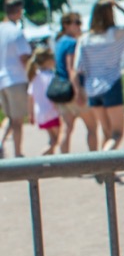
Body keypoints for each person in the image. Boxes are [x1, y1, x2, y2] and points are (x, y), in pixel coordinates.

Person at [74, 0, 124, 151]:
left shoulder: (85, 39)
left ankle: (104, 165)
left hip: (92, 88)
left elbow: (79, 67)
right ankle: (104, 161)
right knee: (117, 133)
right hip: (111, 84)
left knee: (106, 132)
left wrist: (79, 90)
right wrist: (118, 6)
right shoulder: (115, 34)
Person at [0, 0, 31, 159]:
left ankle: (0, 142)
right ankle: (18, 153)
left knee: (9, 117)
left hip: (1, 80)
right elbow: (24, 57)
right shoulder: (16, 32)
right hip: (16, 78)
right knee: (18, 120)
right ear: (18, 11)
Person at [51, 11, 85, 154]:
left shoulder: (59, 42)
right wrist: (78, 92)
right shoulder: (72, 42)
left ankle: (63, 162)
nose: (79, 26)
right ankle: (96, 163)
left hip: (61, 90)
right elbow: (71, 69)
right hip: (71, 88)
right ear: (66, 25)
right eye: (76, 22)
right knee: (92, 127)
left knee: (66, 128)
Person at [26, 46, 60, 154]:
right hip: (51, 112)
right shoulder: (51, 76)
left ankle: (50, 160)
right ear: (48, 61)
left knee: (52, 139)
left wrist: (31, 114)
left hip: (40, 113)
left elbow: (30, 97)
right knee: (57, 139)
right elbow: (53, 94)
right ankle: (42, 156)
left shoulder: (34, 77)